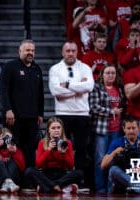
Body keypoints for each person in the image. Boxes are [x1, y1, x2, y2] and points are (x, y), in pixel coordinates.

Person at [48, 40, 94, 185]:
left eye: (73, 51)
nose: (70, 53)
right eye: (67, 51)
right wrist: (78, 89)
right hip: (62, 114)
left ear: (77, 52)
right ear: (63, 52)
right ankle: (62, 180)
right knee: (62, 148)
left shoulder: (85, 68)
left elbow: (89, 86)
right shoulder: (55, 69)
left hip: (82, 114)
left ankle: (78, 181)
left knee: (82, 149)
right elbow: (56, 91)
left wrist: (67, 85)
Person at [0, 39, 44, 168]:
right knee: (13, 147)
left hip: (32, 117)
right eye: (27, 50)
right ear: (19, 51)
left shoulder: (37, 68)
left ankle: (28, 179)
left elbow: (40, 93)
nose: (30, 53)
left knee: (30, 149)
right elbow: (3, 90)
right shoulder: (10, 67)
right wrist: (8, 109)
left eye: (32, 50)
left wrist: (40, 114)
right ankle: (13, 177)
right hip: (14, 117)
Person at [101, 116, 140, 193]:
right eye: (128, 128)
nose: (131, 131)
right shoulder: (117, 142)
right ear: (124, 129)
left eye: (133, 128)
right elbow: (103, 165)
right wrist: (114, 153)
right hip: (124, 177)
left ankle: (136, 187)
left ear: (138, 128)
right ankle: (138, 186)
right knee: (113, 170)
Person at [89, 64, 125, 193]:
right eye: (107, 73)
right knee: (100, 160)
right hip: (102, 131)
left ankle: (111, 188)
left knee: (114, 160)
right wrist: (111, 111)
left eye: (113, 73)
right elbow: (93, 107)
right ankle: (101, 188)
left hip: (117, 130)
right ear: (102, 75)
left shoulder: (119, 89)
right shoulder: (96, 87)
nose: (110, 75)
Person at [25, 117, 83, 193]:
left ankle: (46, 187)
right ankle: (58, 187)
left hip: (62, 174)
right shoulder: (42, 142)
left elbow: (70, 167)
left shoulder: (67, 143)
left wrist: (63, 154)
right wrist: (48, 150)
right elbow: (38, 165)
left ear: (62, 129)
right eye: (53, 128)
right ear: (48, 130)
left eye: (59, 128)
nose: (56, 130)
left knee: (79, 173)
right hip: (46, 174)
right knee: (29, 171)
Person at [0, 128, 25, 193]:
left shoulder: (15, 149)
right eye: (5, 138)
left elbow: (22, 168)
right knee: (0, 163)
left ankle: (9, 183)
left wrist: (15, 152)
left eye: (10, 138)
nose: (8, 140)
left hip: (14, 181)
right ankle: (7, 183)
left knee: (12, 162)